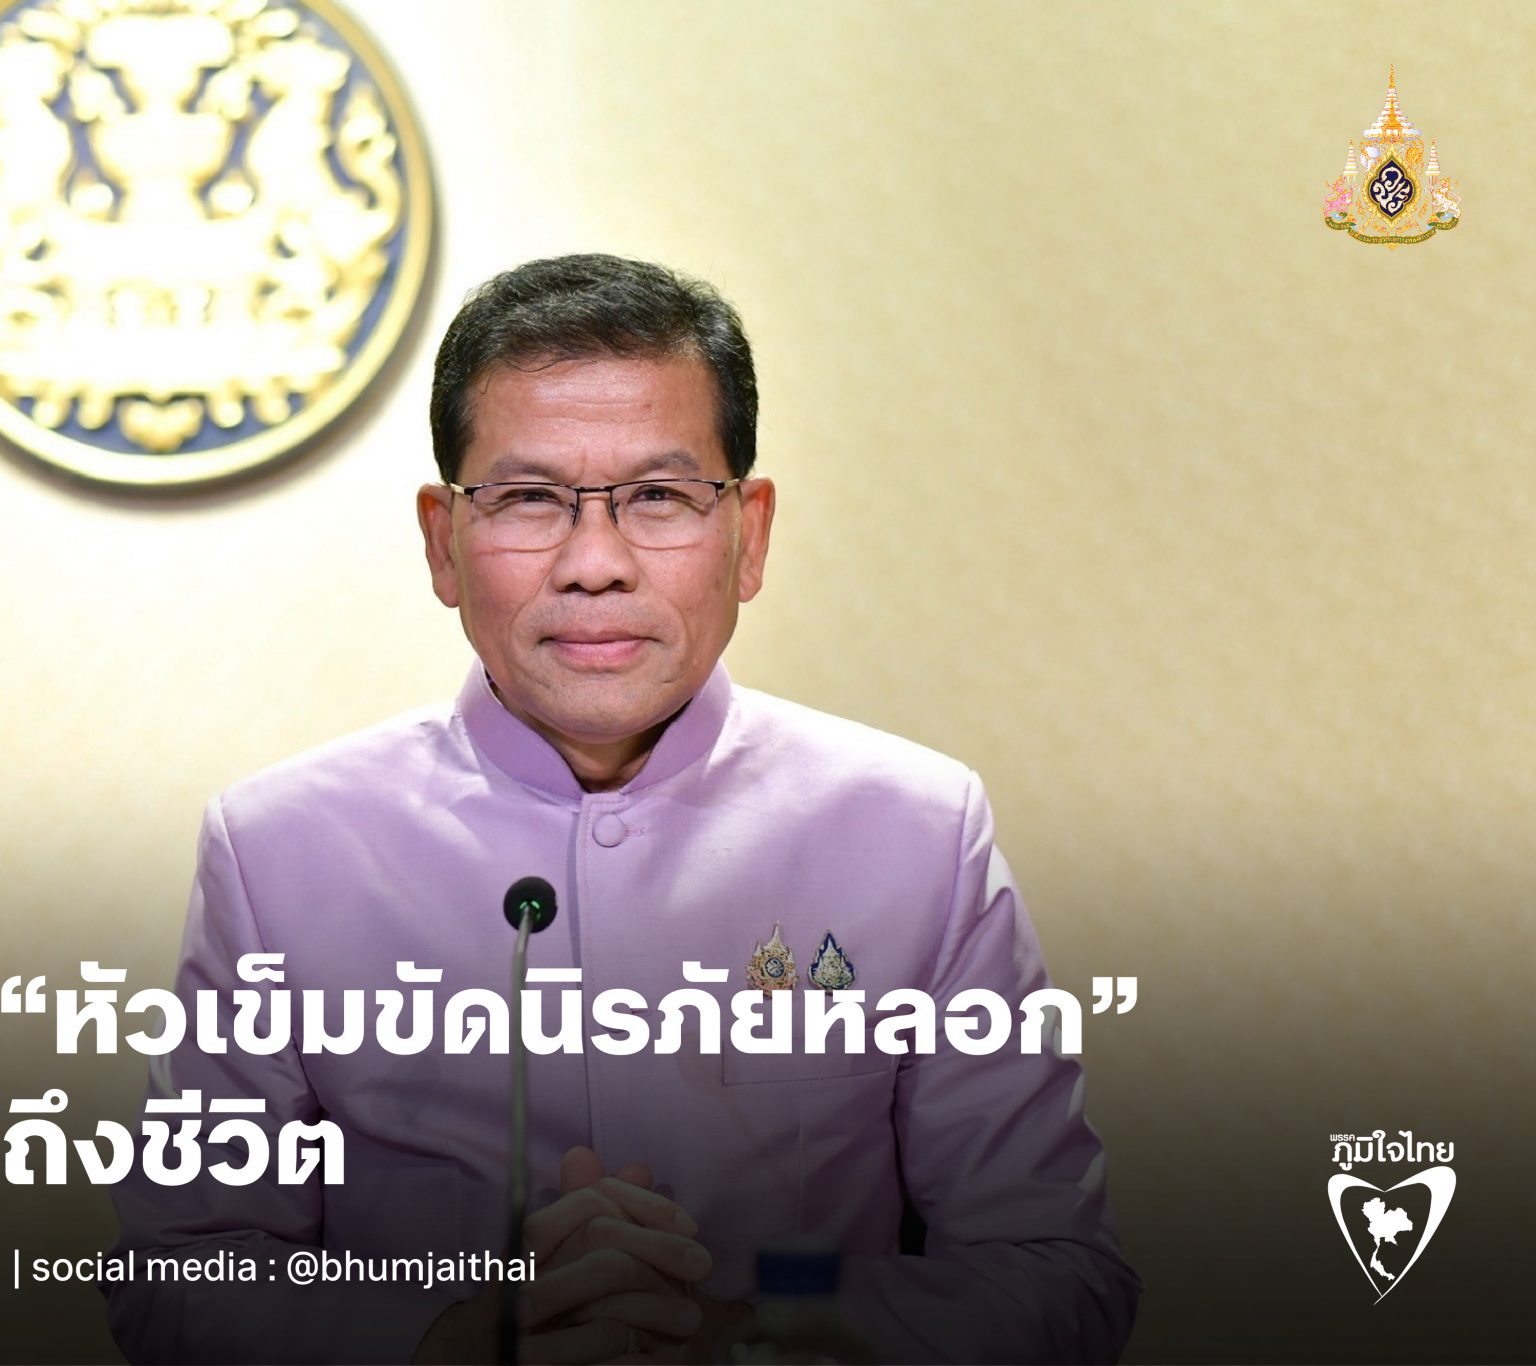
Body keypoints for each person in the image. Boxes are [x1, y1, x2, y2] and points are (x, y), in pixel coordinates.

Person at [103, 255, 1140, 1363]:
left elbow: (1058, 1274)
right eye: (528, 499)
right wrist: (446, 1342)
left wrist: (747, 1339)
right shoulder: (280, 852)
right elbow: (176, 1276)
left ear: (749, 533)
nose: (594, 564)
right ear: (442, 542)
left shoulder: (915, 833)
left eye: (657, 497)